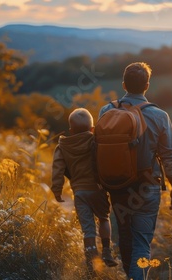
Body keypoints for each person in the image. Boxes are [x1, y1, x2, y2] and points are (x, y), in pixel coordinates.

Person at [97, 62, 172, 280]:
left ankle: (130, 275)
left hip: (117, 186)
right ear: (147, 85)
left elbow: (96, 150)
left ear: (123, 84)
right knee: (141, 243)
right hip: (146, 186)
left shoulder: (107, 111)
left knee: (125, 237)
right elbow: (169, 155)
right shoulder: (160, 116)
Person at [51, 108, 118, 278]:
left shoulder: (63, 146)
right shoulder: (96, 141)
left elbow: (58, 169)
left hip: (80, 192)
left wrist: (57, 190)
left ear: (71, 130)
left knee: (87, 229)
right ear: (92, 129)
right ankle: (107, 251)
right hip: (98, 189)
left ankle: (91, 261)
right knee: (103, 218)